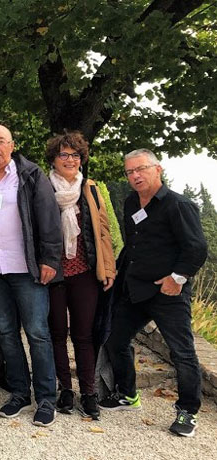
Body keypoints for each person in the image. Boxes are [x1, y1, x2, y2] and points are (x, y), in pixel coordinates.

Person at [103, 149, 207, 437]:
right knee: (116, 341)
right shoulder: (130, 203)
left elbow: (196, 248)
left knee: (182, 352)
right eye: (129, 172)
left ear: (157, 169)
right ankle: (128, 394)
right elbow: (132, 246)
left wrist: (178, 278)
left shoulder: (178, 205)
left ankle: (187, 412)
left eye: (141, 169)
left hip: (169, 294)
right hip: (136, 290)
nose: (135, 176)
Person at [0, 124, 62, 427]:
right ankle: (20, 392)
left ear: (12, 145)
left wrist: (49, 258)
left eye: (1, 142)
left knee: (37, 333)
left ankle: (47, 398)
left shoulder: (31, 176)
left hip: (27, 269)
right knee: (7, 334)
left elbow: (49, 218)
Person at [43, 132, 116, 419]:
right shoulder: (43, 188)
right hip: (54, 273)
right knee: (57, 334)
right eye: (64, 154)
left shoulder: (91, 188)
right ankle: (65, 390)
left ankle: (89, 393)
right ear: (54, 159)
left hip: (85, 271)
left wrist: (108, 268)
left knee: (84, 335)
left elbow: (103, 231)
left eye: (75, 155)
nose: (70, 160)